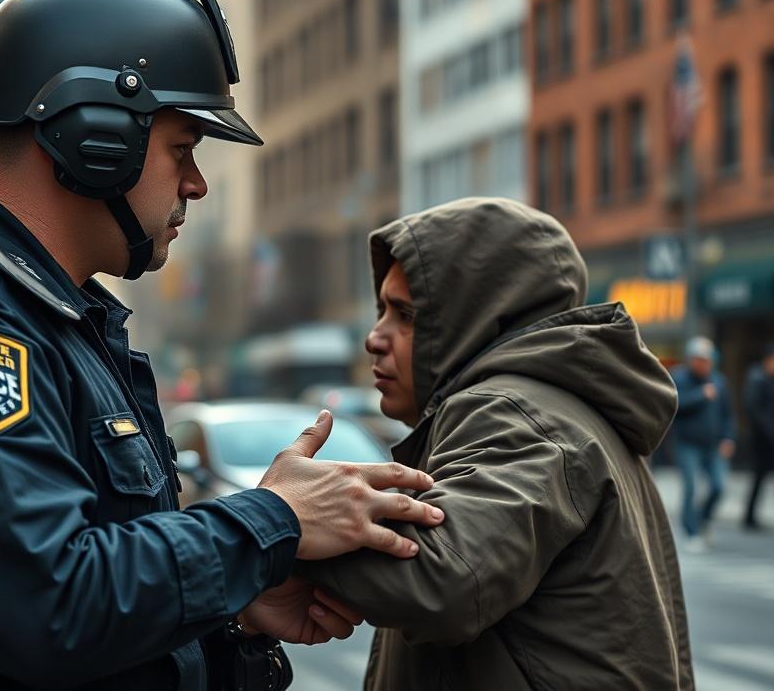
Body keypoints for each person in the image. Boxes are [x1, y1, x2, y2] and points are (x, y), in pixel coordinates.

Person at [0, 0, 444, 691]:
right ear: (93, 137)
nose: (197, 184)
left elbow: (80, 621)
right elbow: (53, 608)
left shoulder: (53, 320)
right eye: (182, 148)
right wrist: (273, 520)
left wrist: (231, 611)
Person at [291, 198, 694, 690]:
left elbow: (445, 576)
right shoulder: (556, 407)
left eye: (407, 315)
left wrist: (275, 529)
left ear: (477, 319)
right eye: (382, 310)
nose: (376, 337)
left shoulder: (516, 412)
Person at [670, 336, 736, 550]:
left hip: (713, 445)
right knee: (690, 488)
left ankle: (702, 519)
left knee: (719, 486)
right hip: (687, 443)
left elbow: (728, 415)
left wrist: (728, 438)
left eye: (707, 360)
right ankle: (690, 531)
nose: (704, 364)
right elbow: (673, 405)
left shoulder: (719, 381)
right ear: (691, 360)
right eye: (700, 360)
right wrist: (701, 395)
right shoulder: (679, 378)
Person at [743, 343, 774, 530]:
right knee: (759, 478)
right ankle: (749, 516)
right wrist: (770, 430)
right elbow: (752, 408)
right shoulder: (757, 377)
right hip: (762, 440)